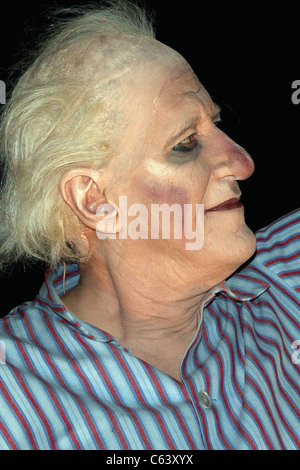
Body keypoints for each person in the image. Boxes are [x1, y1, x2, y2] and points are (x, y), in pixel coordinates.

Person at [0, 0, 299, 450]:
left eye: (216, 125)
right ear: (93, 199)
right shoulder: (13, 399)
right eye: (186, 144)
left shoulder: (286, 280)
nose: (242, 162)